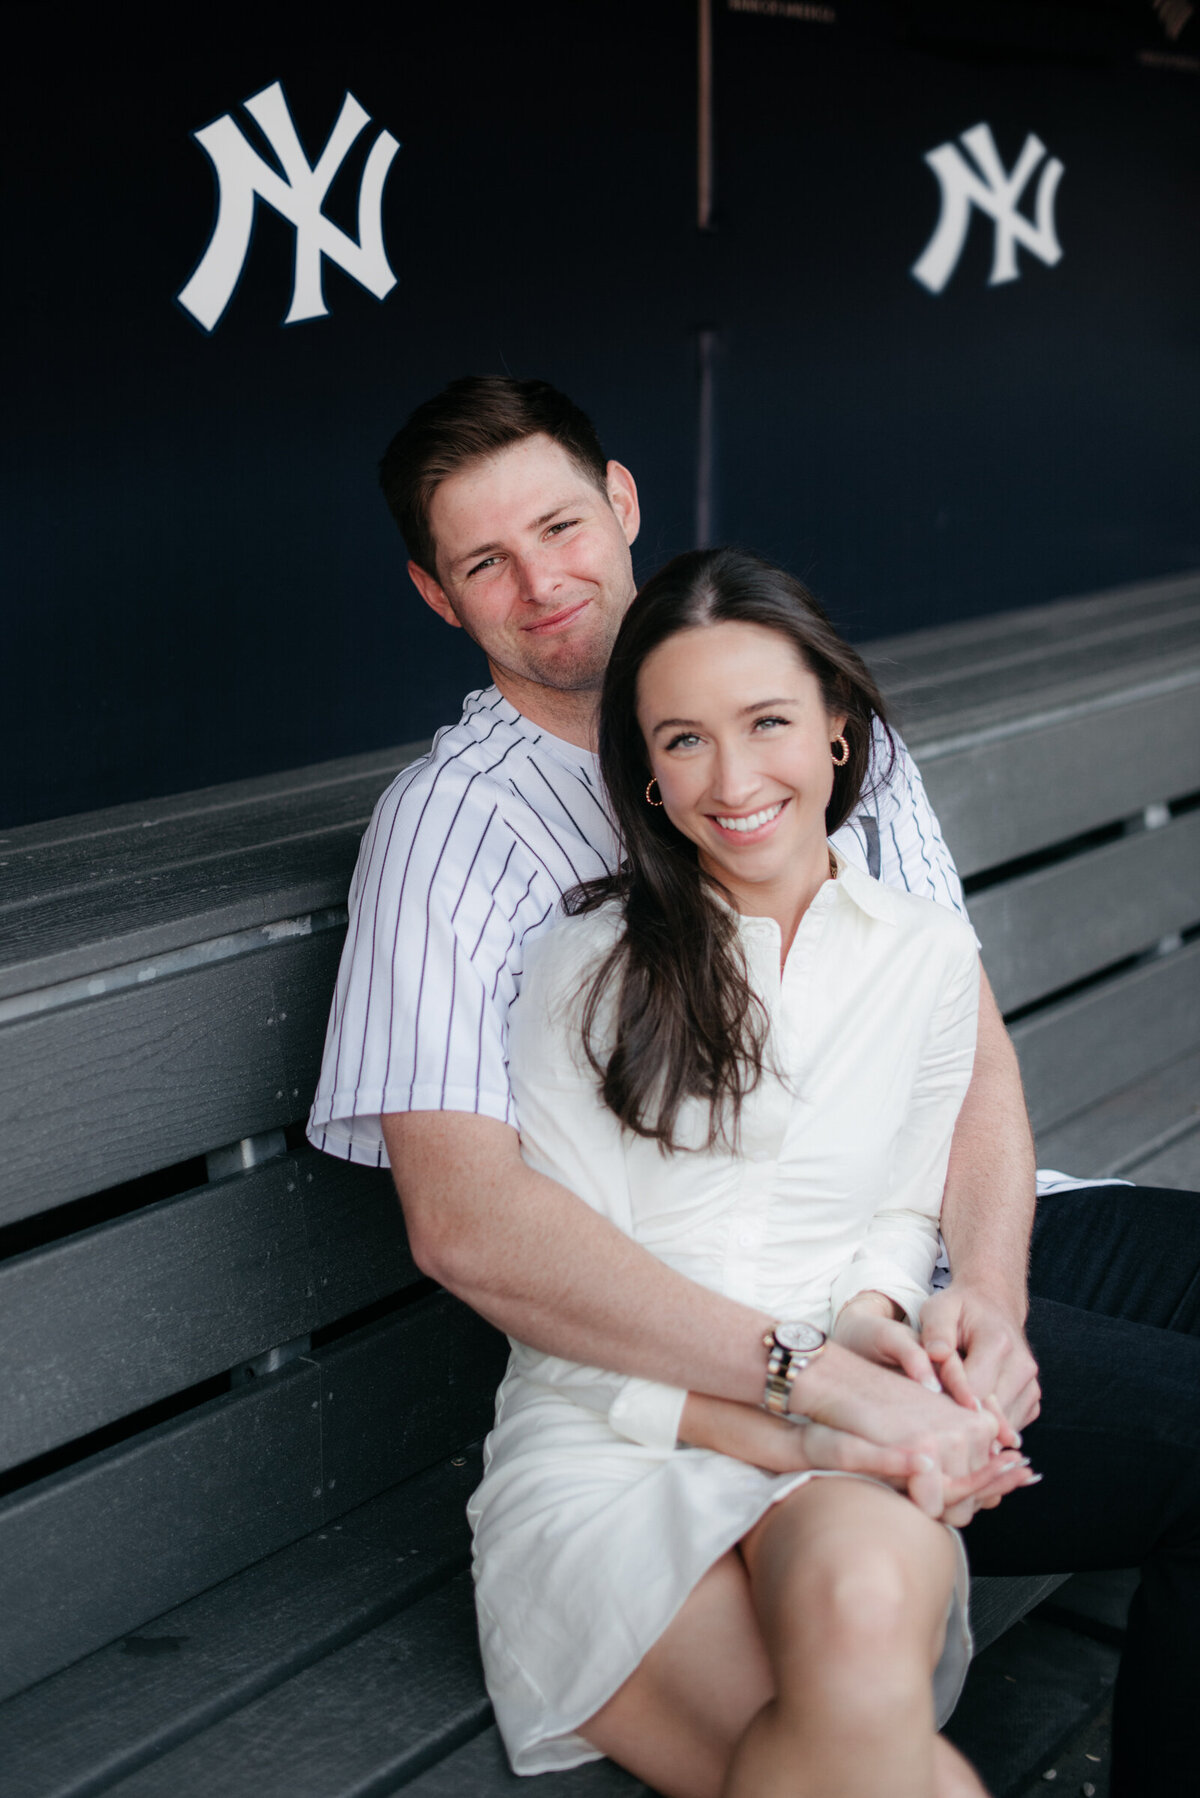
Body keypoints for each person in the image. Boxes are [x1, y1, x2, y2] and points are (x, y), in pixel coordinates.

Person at [308, 375, 1200, 1793]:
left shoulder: (825, 737)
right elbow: (473, 1220)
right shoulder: (466, 845)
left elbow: (965, 1050)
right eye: (488, 560)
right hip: (735, 1331)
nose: (544, 582)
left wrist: (996, 1297)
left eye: (560, 524)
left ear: (624, 503)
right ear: (437, 595)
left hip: (942, 1249)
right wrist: (828, 1378)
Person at [470, 545, 1033, 1796]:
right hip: (610, 1453)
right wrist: (817, 1426)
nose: (732, 781)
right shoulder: (590, 971)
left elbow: (895, 1207)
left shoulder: (928, 955)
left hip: (842, 1424)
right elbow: (563, 1318)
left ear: (838, 728)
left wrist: (895, 1319)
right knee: (878, 1771)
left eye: (767, 721)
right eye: (681, 740)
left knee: (861, 1649)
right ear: (646, 775)